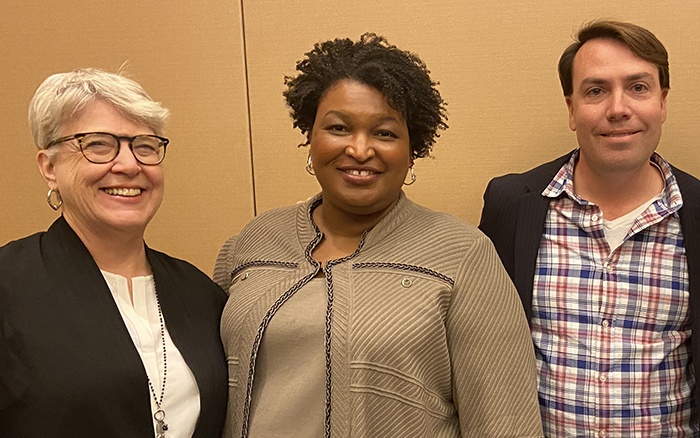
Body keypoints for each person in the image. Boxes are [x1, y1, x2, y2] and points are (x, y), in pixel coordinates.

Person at [214, 33, 542, 438]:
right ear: (310, 138)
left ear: (412, 150)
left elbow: (504, 421)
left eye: (384, 133)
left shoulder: (462, 254)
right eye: (338, 127)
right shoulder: (255, 240)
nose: (359, 149)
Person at [479, 20, 700, 436]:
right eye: (596, 90)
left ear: (663, 102)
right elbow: (481, 346)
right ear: (571, 108)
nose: (618, 108)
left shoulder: (698, 212)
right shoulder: (511, 205)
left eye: (638, 87)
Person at [0, 68, 228, 437]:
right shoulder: (9, 286)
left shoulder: (201, 295)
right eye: (98, 145)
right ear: (49, 168)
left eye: (145, 146)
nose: (128, 165)